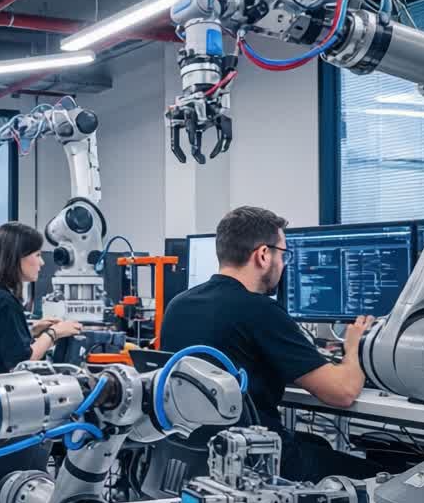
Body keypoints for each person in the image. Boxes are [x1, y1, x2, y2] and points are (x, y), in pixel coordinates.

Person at [160, 205, 380, 482]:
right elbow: (343, 392)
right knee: (386, 477)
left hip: (196, 453)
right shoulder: (258, 309)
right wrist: (355, 346)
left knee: (319, 446)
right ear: (263, 255)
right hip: (257, 461)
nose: (284, 264)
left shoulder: (179, 304)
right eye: (283, 254)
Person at [0, 222, 81, 375]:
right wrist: (54, 333)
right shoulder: (4, 301)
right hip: (5, 391)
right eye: (37, 255)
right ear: (17, 257)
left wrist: (30, 332)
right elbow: (22, 364)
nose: (42, 262)